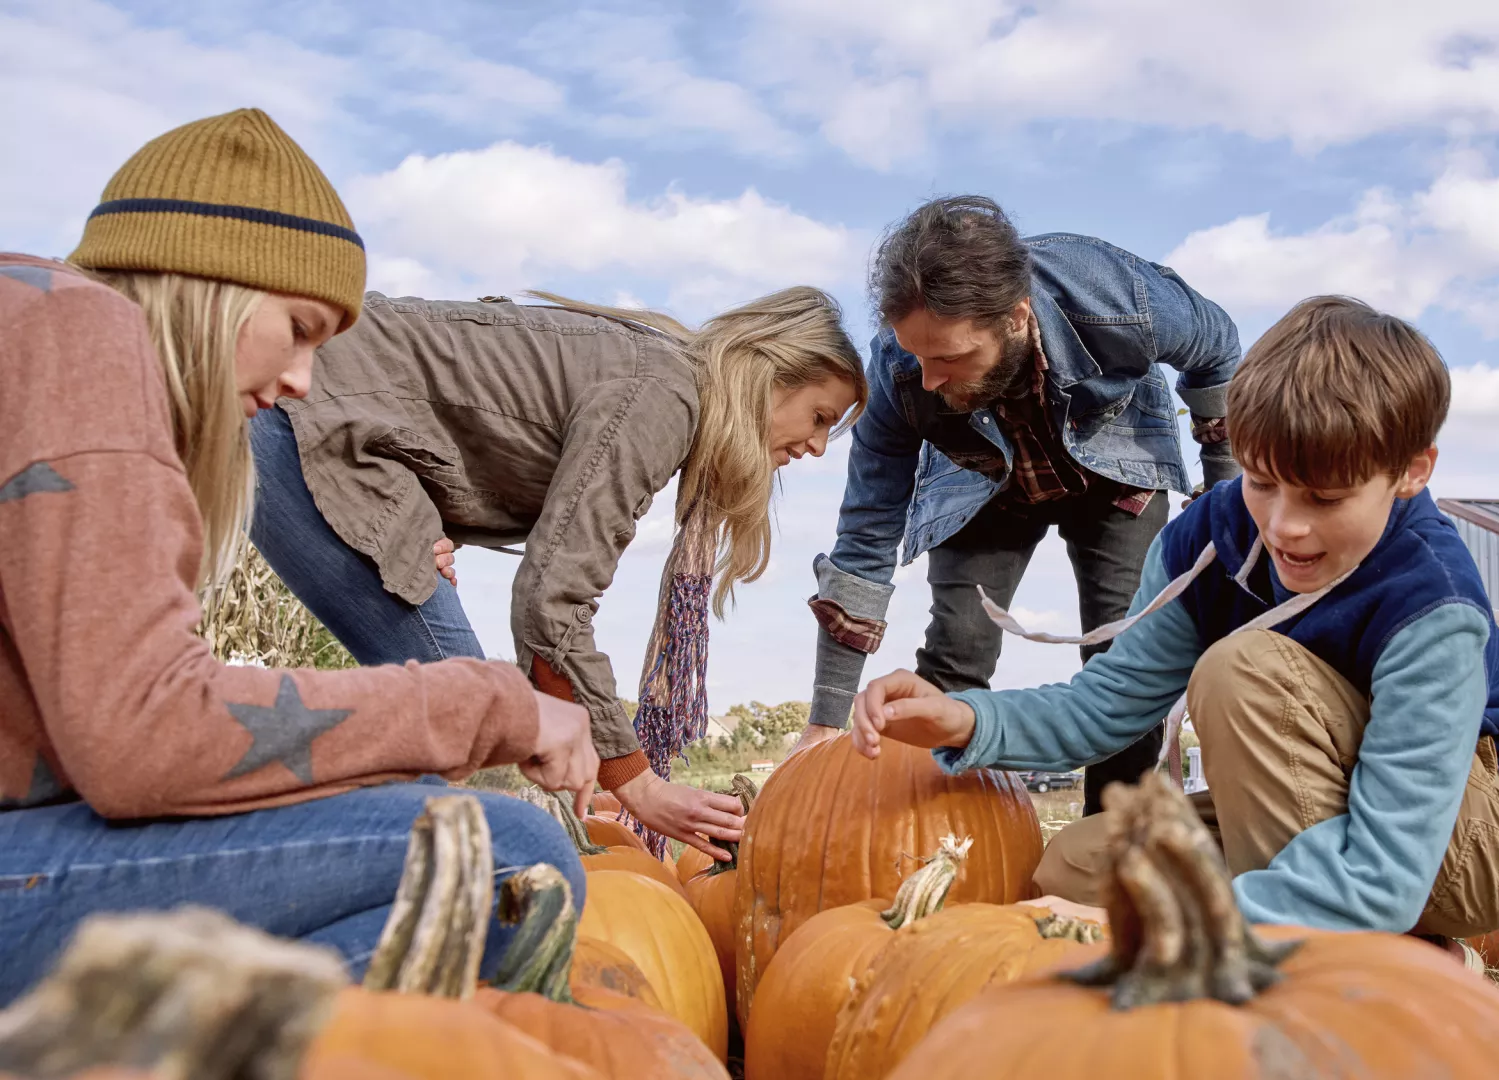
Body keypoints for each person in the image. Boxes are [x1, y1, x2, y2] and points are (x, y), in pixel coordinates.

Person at [0, 109, 599, 1004]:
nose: (301, 383)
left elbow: (112, 730)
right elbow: (143, 735)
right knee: (509, 866)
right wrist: (495, 705)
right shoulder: (85, 334)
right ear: (210, 282)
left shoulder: (35, 323)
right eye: (299, 328)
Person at [844, 296, 1499, 944]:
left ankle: (1340, 962)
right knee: (1077, 869)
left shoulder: (1430, 599)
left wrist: (1203, 921)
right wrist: (963, 721)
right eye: (1263, 483)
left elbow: (1389, 864)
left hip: (1478, 834)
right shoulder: (1209, 536)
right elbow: (1106, 705)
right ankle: (1338, 928)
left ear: (1413, 471)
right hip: (1327, 813)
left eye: (1324, 498)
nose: (1285, 526)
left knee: (1242, 668)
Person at [248, 283, 867, 861]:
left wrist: (427, 515)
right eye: (818, 417)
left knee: (449, 716)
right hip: (307, 412)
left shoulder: (660, 376)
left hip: (322, 409)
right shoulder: (664, 397)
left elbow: (460, 412)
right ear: (767, 374)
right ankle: (281, 859)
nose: (818, 446)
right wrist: (638, 784)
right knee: (459, 709)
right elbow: (553, 604)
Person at [794, 195, 1241, 816]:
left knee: (1123, 647)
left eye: (948, 358)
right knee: (958, 647)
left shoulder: (1118, 301)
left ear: (1014, 316)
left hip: (1117, 472)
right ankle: (927, 828)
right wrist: (826, 714)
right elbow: (866, 535)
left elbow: (1217, 347)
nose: (927, 378)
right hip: (980, 482)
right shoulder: (900, 377)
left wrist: (1225, 499)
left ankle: (1113, 833)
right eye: (918, 356)